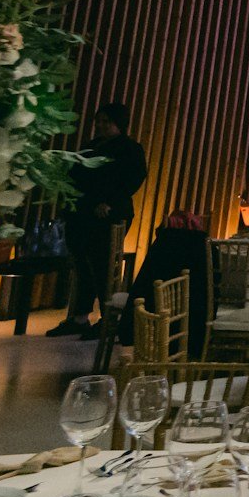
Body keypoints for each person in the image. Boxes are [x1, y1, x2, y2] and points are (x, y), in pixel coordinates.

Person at [51, 102, 149, 337]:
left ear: (119, 124)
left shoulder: (129, 148)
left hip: (108, 214)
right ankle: (79, 316)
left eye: (107, 121)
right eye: (100, 122)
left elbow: (134, 178)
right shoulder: (92, 146)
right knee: (82, 265)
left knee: (102, 265)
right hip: (83, 213)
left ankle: (109, 319)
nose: (102, 126)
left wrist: (110, 202)